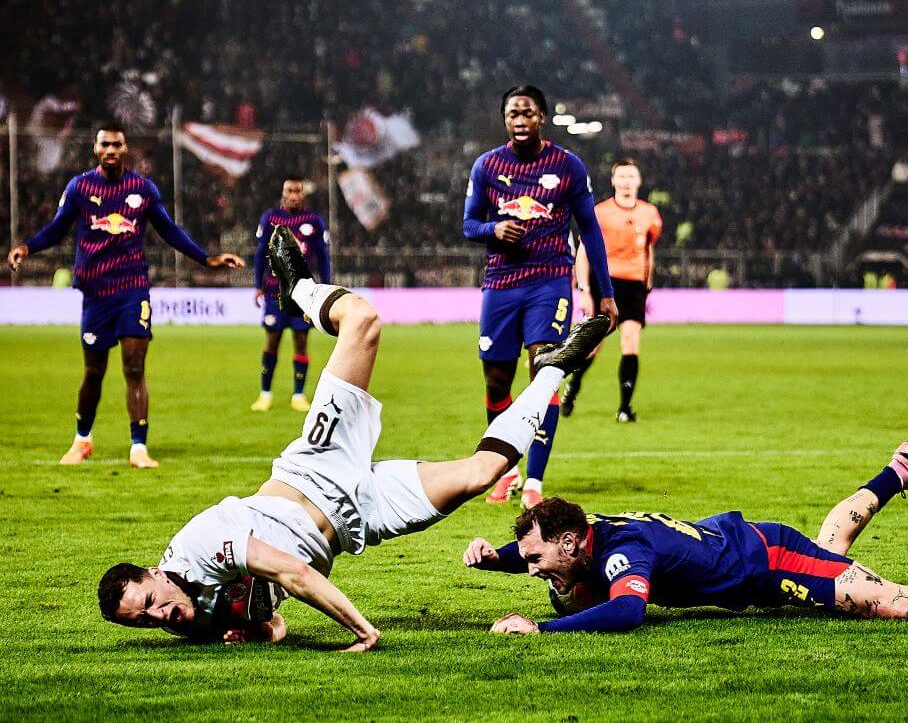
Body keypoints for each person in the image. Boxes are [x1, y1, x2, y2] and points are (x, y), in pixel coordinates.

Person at [96, 226, 611, 650]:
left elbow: (293, 572)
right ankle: (550, 371)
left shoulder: (199, 547)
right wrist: (262, 628)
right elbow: (275, 618)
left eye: (149, 603)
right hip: (357, 516)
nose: (161, 617)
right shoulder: (193, 620)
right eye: (145, 623)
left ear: (154, 572)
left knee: (362, 321)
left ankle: (296, 287)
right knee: (482, 474)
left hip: (315, 467)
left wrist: (361, 629)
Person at [464, 443, 908, 632]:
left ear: (574, 543)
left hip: (767, 561)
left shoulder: (625, 555)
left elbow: (629, 610)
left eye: (540, 557)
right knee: (832, 549)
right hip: (753, 544)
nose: (532, 567)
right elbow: (534, 550)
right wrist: (496, 559)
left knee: (895, 602)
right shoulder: (587, 531)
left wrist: (540, 628)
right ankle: (896, 472)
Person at [6, 122, 244, 468]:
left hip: (132, 289)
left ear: (125, 148)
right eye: (105, 144)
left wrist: (206, 259)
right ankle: (82, 441)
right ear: (95, 148)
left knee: (134, 366)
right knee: (94, 372)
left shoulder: (142, 189)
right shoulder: (79, 187)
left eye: (116, 144)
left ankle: (138, 448)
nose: (111, 150)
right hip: (95, 292)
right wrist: (27, 247)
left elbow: (169, 230)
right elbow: (57, 229)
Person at [463, 84, 618, 509]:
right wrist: (493, 230)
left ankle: (534, 480)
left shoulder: (568, 166)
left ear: (542, 118)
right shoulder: (487, 166)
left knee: (544, 369)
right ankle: (504, 470)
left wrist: (605, 293)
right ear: (504, 118)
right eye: (512, 112)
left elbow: (590, 229)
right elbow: (469, 224)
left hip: (550, 280)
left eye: (527, 112)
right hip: (500, 282)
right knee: (496, 378)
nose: (519, 119)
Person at [564, 159, 661, 423]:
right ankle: (573, 387)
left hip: (634, 287)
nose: (627, 181)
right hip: (604, 285)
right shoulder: (600, 213)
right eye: (622, 176)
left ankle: (624, 409)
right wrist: (583, 289)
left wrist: (647, 281)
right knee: (593, 347)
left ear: (639, 181)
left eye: (632, 176)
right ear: (613, 181)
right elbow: (583, 252)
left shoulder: (650, 214)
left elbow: (648, 248)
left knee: (630, 342)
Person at [251, 176, 331, 413]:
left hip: (303, 293)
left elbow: (323, 257)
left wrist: (326, 286)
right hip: (274, 291)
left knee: (301, 341)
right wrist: (258, 285)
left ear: (303, 193)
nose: (294, 195)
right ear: (283, 193)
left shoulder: (314, 221)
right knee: (272, 340)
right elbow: (259, 253)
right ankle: (265, 394)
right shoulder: (270, 218)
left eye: (298, 190)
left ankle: (298, 395)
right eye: (290, 190)